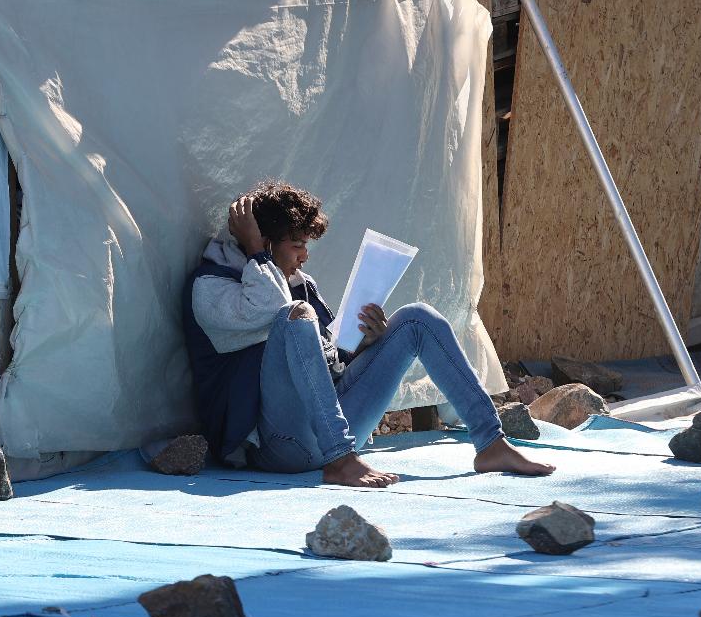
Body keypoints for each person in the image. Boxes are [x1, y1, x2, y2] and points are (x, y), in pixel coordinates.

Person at [181, 181, 556, 487]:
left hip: (333, 429)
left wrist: (364, 345)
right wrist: (255, 252)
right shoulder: (211, 286)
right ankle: (341, 462)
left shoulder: (299, 283)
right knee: (295, 316)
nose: (304, 257)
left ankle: (490, 441)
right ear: (264, 242)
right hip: (280, 447)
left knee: (416, 318)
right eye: (297, 245)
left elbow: (327, 367)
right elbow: (270, 310)